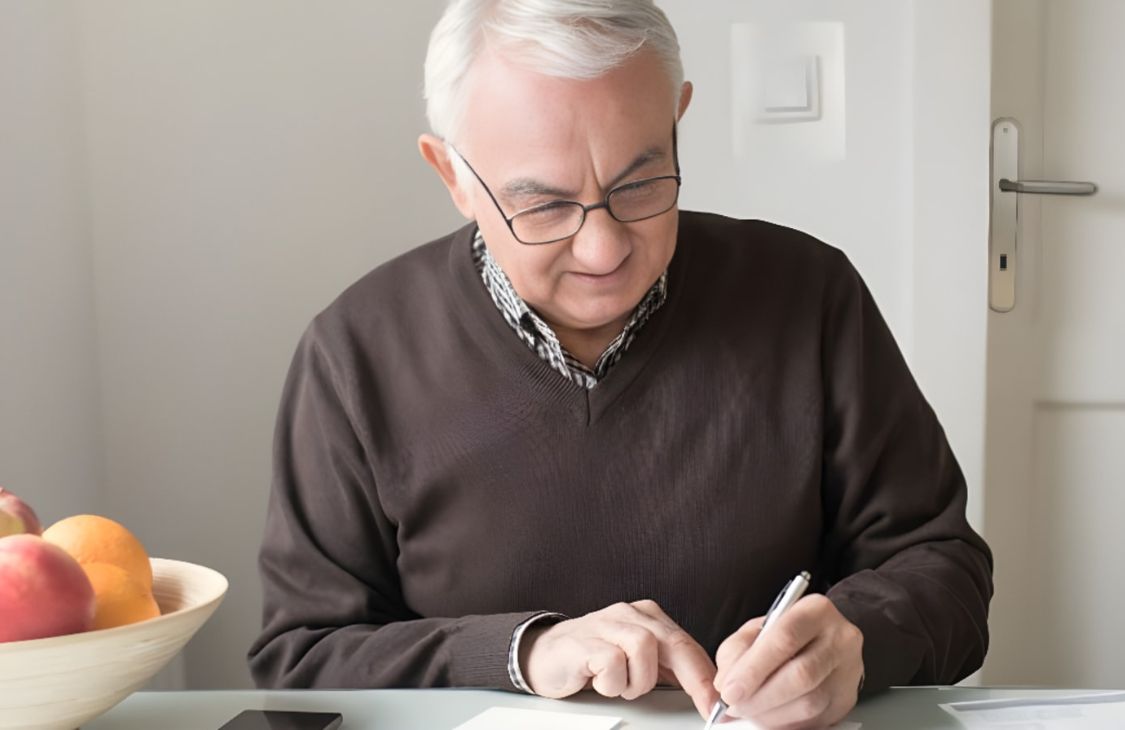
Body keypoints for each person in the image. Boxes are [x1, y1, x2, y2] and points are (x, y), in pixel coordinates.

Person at [248, 1, 994, 727]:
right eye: (542, 207)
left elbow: (946, 572)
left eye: (638, 186)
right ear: (453, 177)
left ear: (678, 121)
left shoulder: (808, 295)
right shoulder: (355, 354)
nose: (603, 251)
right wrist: (521, 653)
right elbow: (302, 657)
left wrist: (857, 641)